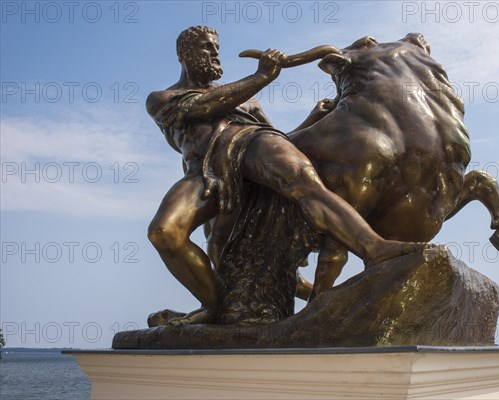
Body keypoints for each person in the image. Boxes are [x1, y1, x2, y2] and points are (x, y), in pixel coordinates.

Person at [146, 26, 422, 325]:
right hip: (206, 171)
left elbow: (283, 140)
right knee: (164, 233)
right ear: (184, 54)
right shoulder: (163, 98)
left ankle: (374, 248)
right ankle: (214, 306)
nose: (214, 54)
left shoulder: (248, 104)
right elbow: (203, 108)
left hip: (253, 141)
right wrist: (261, 77)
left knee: (301, 180)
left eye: (215, 47)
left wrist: (312, 119)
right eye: (206, 48)